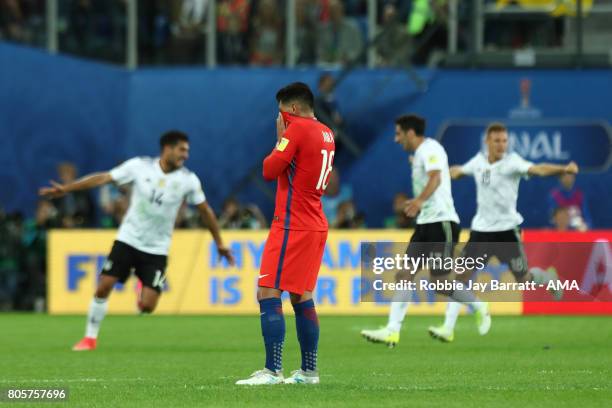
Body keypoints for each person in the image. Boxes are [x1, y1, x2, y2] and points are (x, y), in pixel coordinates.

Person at [39, 131, 235, 351]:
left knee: (148, 306)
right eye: (182, 150)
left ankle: (141, 286)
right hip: (128, 239)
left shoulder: (188, 180)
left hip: (157, 249)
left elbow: (205, 211)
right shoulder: (139, 166)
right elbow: (104, 177)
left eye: (187, 151)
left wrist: (219, 242)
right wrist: (67, 188)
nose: (186, 155)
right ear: (167, 148)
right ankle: (89, 339)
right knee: (103, 287)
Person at [428, 122, 579, 343]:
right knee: (461, 277)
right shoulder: (478, 161)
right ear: (487, 142)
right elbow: (459, 171)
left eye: (504, 141)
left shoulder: (513, 162)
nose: (501, 145)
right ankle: (447, 328)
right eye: (497, 141)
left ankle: (548, 278)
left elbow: (538, 169)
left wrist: (563, 169)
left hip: (507, 232)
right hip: (481, 232)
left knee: (524, 279)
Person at [236, 82, 335, 385]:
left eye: (281, 113)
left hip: (292, 223)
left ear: (291, 108)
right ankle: (308, 372)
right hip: (315, 220)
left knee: (267, 290)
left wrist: (279, 139)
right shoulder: (326, 132)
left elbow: (269, 169)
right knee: (301, 296)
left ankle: (272, 370)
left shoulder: (296, 130)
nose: (279, 118)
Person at [360, 113, 465, 348]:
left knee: (440, 283)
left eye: (398, 134)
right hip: (425, 223)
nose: (396, 140)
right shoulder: (420, 154)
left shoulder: (430, 149)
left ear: (410, 133)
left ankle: (477, 305)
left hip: (442, 222)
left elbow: (436, 178)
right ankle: (392, 330)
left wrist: (418, 201)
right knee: (404, 274)